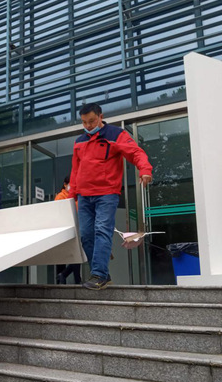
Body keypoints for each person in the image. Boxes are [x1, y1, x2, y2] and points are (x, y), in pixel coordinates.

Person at [68, 103, 152, 290]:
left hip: (106, 194)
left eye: (91, 121)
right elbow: (75, 170)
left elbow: (135, 152)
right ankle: (104, 275)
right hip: (84, 196)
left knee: (101, 230)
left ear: (101, 116)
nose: (88, 126)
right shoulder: (79, 141)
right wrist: (72, 196)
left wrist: (145, 169)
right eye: (84, 122)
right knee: (86, 236)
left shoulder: (116, 135)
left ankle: (98, 275)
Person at [54, 176, 81, 285]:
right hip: (65, 230)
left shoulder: (77, 197)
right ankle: (69, 278)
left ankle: (66, 276)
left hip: (75, 229)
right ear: (65, 184)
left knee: (77, 255)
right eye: (71, 183)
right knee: (70, 256)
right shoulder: (60, 197)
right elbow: (58, 214)